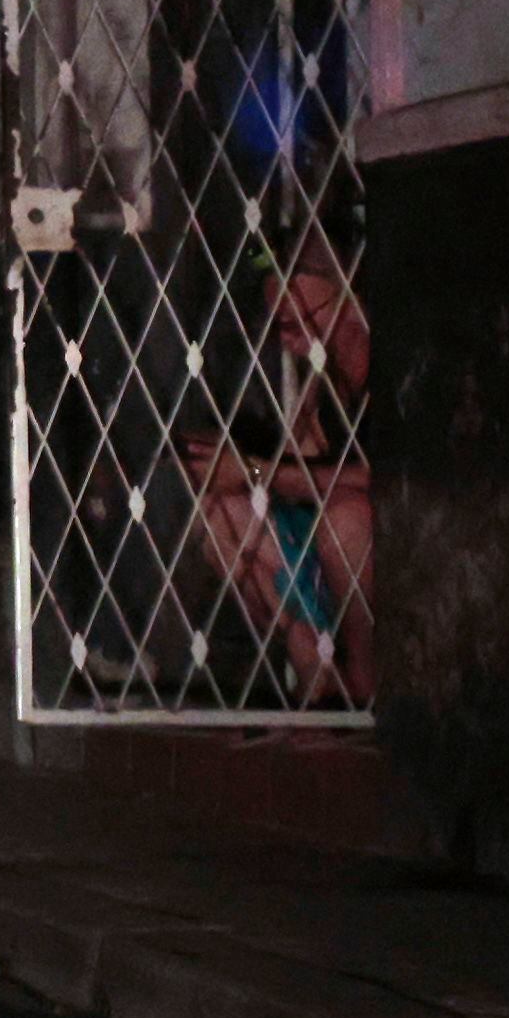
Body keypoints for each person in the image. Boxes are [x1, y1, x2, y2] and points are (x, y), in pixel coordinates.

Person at [179, 230, 372, 705]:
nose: (285, 337)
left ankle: (366, 683)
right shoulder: (325, 377)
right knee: (220, 513)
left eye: (296, 321)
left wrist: (254, 471)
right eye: (278, 324)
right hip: (328, 562)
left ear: (349, 297)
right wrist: (226, 463)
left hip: (377, 554)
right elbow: (298, 463)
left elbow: (371, 482)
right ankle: (313, 662)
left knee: (345, 520)